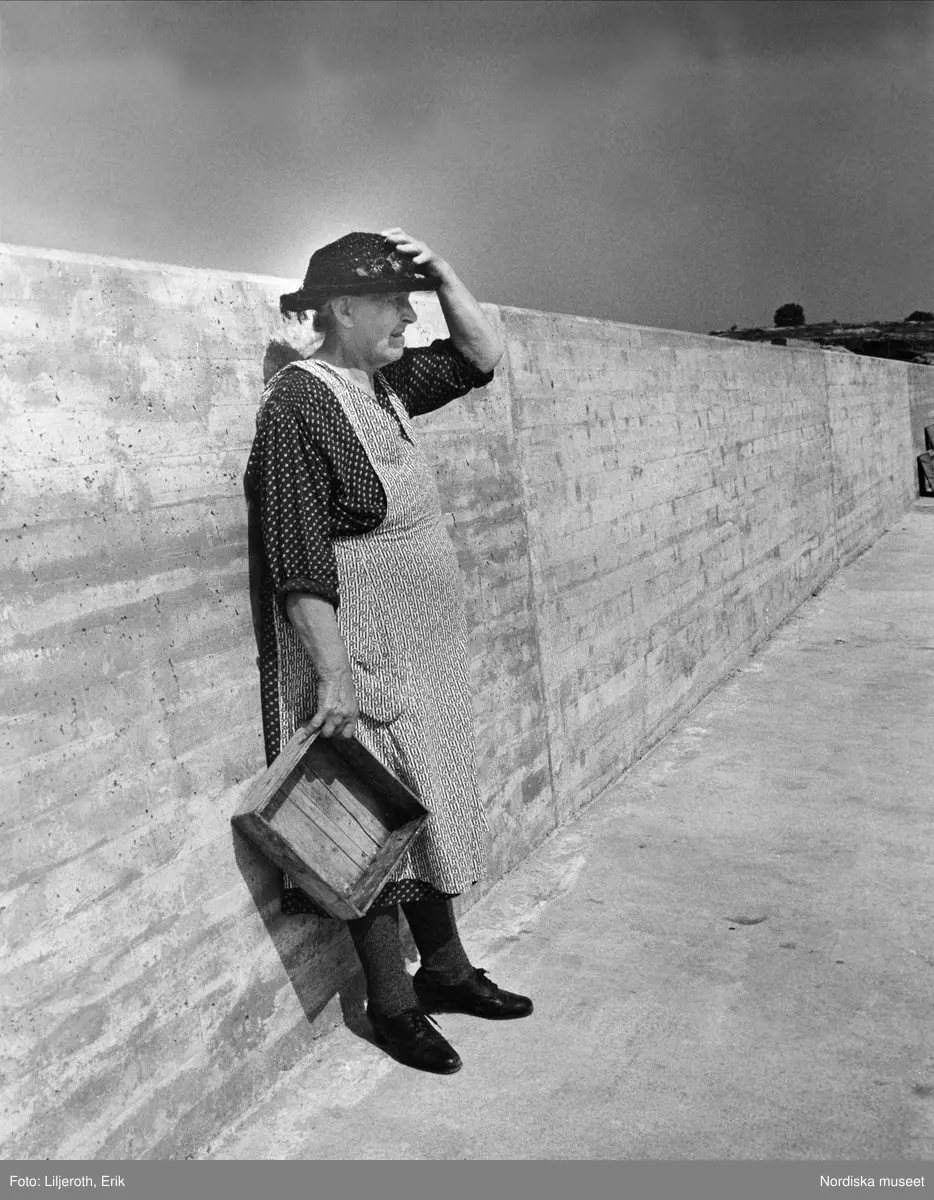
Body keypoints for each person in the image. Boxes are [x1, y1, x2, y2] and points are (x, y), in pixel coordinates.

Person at [244, 228, 533, 1074]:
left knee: (427, 800)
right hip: (362, 653)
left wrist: (442, 272)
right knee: (371, 823)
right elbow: (297, 559)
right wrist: (333, 676)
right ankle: (392, 1004)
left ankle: (446, 971)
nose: (411, 317)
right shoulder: (299, 407)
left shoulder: (382, 383)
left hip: (420, 651)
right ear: (341, 308)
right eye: (395, 302)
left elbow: (481, 358)